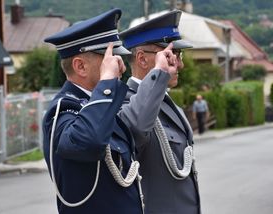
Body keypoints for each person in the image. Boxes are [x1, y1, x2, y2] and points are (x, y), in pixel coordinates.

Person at [42, 8, 178, 214]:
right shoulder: (63, 110)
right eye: (111, 58)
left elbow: (137, 126)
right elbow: (89, 142)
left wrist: (159, 75)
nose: (120, 66)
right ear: (80, 67)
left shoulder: (101, 105)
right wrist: (106, 83)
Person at [119, 10, 201, 214]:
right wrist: (159, 75)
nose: (179, 63)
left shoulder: (168, 103)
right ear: (142, 59)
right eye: (172, 55)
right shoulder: (124, 104)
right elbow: (136, 129)